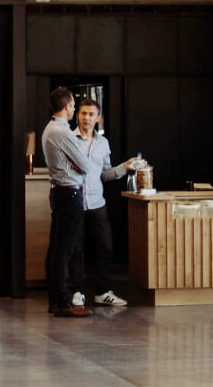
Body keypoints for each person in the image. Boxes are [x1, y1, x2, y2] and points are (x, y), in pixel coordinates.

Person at [68, 99, 138, 308]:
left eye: (91, 114)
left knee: (105, 246)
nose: (87, 118)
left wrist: (124, 167)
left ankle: (102, 291)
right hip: (75, 202)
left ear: (98, 118)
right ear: (77, 115)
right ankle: (78, 291)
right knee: (75, 249)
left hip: (98, 203)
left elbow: (105, 174)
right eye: (83, 113)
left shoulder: (103, 143)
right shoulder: (69, 139)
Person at [42, 87, 92, 317]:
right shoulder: (63, 132)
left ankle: (55, 300)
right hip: (70, 194)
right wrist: (76, 165)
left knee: (56, 249)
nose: (74, 108)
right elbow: (86, 165)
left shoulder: (49, 129)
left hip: (59, 193)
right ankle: (62, 302)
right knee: (64, 249)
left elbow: (78, 163)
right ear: (66, 107)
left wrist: (75, 164)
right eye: (73, 105)